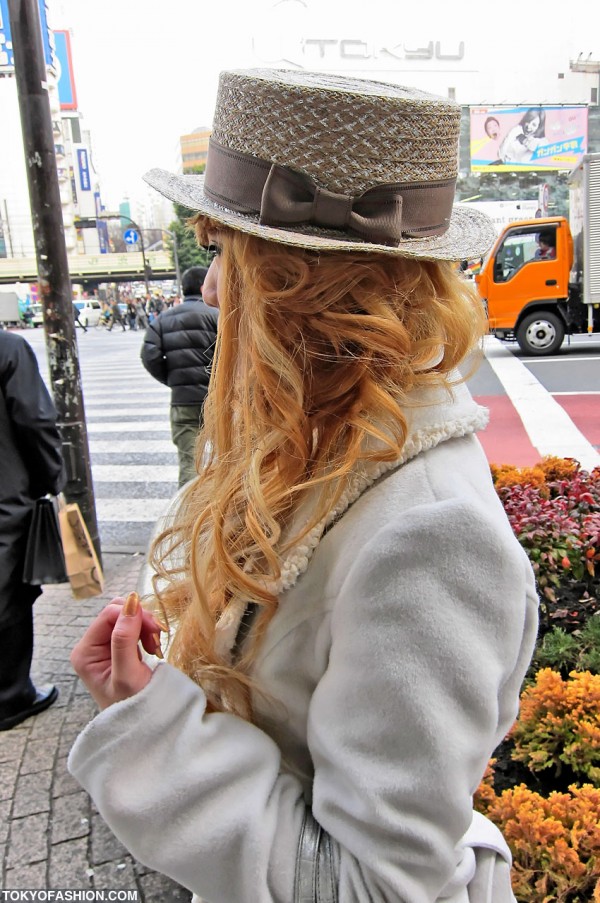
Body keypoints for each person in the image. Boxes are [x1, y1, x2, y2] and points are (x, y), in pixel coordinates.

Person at [68, 69, 538, 902]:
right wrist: (161, 681)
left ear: (303, 284)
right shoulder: (321, 438)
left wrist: (160, 733)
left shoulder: (427, 533)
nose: (209, 289)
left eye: (222, 252)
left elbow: (374, 884)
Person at [0, 331, 65, 731]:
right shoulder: (8, 348)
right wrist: (52, 477)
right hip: (5, 491)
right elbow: (35, 418)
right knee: (7, 592)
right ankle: (10, 696)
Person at [140, 266, 218, 486]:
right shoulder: (219, 316)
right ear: (204, 286)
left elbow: (149, 356)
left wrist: (173, 379)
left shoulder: (162, 320)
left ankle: (188, 516)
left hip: (183, 401)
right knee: (230, 457)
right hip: (218, 399)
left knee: (188, 462)